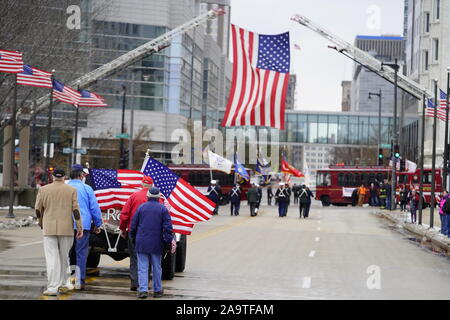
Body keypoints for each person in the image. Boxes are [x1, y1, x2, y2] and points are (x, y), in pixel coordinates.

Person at [34, 168, 83, 296]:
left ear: (53, 176)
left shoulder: (43, 190)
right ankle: (64, 282)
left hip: (49, 227)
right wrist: (79, 227)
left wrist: (41, 222)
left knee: (52, 258)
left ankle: (52, 286)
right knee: (64, 256)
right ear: (64, 177)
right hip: (66, 228)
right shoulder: (72, 190)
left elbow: (38, 209)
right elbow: (76, 210)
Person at [130, 187, 173, 299]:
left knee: (142, 267)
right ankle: (157, 290)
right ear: (158, 197)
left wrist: (133, 238)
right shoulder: (163, 209)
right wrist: (167, 242)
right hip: (157, 243)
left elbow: (133, 226)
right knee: (157, 267)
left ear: (147, 196)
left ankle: (143, 290)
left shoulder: (141, 208)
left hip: (142, 242)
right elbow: (168, 228)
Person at [67, 164, 103, 290]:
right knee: (81, 253)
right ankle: (79, 281)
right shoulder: (87, 188)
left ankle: (64, 279)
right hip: (83, 224)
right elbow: (94, 208)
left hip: (66, 224)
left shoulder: (65, 186)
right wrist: (98, 224)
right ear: (81, 175)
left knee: (64, 252)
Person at [119, 175, 156, 291]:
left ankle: (135, 283)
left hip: (133, 231)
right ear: (151, 185)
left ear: (141, 184)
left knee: (134, 257)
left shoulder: (133, 196)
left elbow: (125, 214)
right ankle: (146, 282)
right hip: (151, 233)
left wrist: (122, 228)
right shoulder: (157, 198)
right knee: (148, 257)